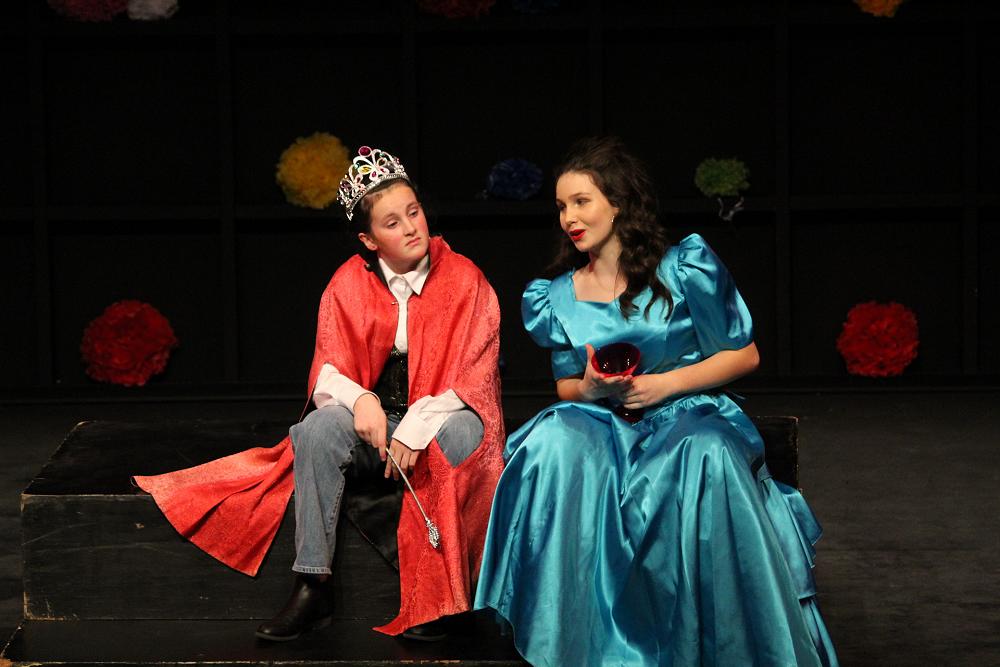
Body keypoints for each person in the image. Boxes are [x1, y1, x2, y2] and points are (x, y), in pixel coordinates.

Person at [474, 136, 838, 666]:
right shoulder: (556, 297)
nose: (569, 217)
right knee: (551, 442)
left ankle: (716, 641)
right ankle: (572, 638)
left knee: (705, 451)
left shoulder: (682, 268)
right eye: (561, 205)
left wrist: (665, 385)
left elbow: (744, 355)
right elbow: (567, 387)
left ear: (617, 204)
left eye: (581, 201)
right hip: (605, 421)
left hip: (684, 411)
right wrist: (593, 388)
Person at [135, 146, 504, 642]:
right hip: (378, 431)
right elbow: (328, 369)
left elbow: (474, 376)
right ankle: (313, 585)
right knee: (315, 429)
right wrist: (362, 400)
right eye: (392, 223)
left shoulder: (464, 278)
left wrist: (417, 426)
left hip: (436, 425)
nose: (411, 228)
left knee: (465, 430)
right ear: (368, 239)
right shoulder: (348, 283)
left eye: (414, 212)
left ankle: (445, 594)